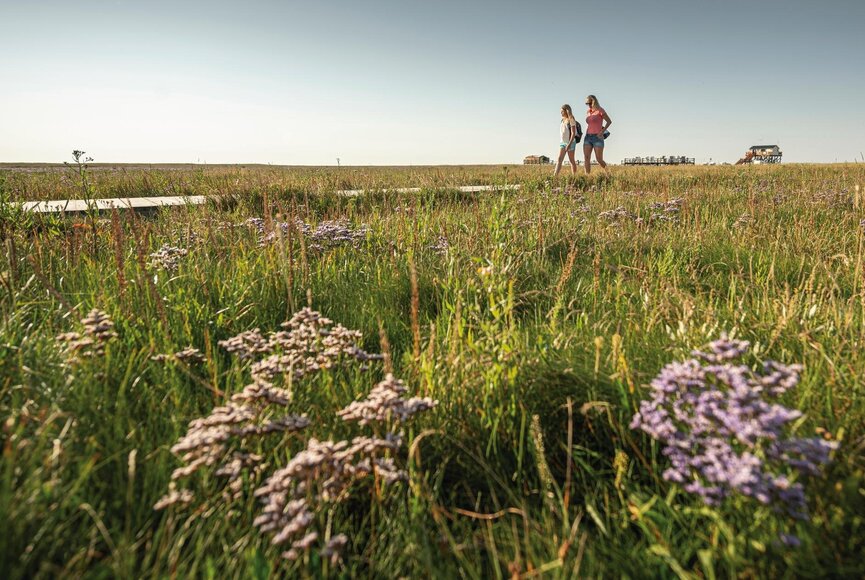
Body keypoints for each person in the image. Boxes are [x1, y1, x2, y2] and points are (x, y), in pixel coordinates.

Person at [583, 94, 612, 174]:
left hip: (597, 137)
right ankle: (587, 177)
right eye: (586, 104)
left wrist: (602, 132)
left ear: (593, 101)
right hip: (588, 137)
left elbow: (609, 121)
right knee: (586, 158)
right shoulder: (588, 112)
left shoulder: (600, 110)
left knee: (599, 159)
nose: (588, 105)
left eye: (589, 103)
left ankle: (609, 174)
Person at [554, 104, 580, 176]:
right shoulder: (562, 120)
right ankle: (555, 176)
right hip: (562, 142)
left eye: (562, 111)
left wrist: (569, 144)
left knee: (571, 160)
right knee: (559, 159)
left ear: (566, 111)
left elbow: (573, 133)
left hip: (570, 142)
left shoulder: (571, 119)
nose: (561, 113)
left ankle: (574, 176)